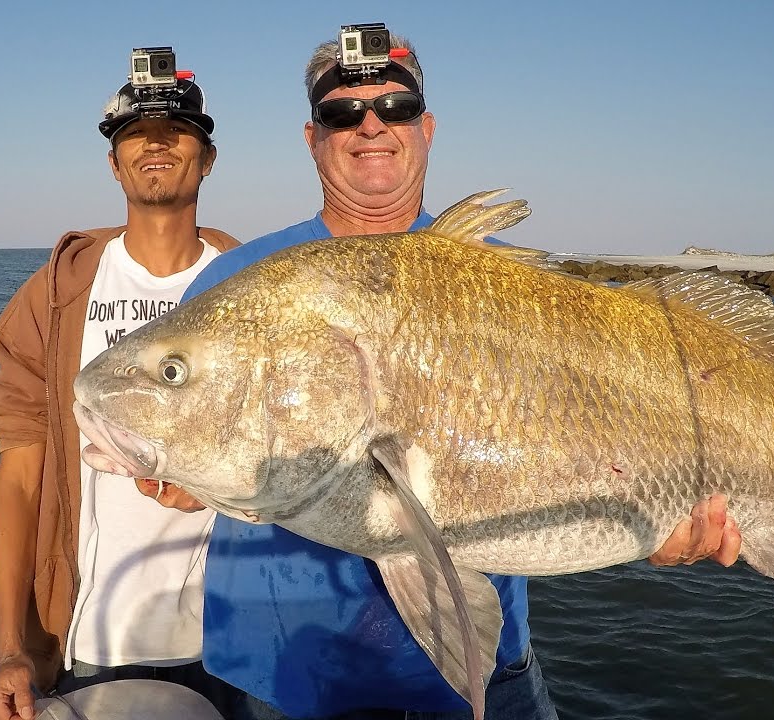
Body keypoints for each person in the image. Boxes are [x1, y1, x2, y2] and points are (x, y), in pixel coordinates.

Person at [166, 28, 742, 720]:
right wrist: (178, 469)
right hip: (287, 682)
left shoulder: (515, 281)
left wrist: (655, 517)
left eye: (395, 107)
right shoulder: (237, 281)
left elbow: (593, 445)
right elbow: (195, 447)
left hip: (482, 678)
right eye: (343, 113)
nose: (371, 124)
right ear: (313, 136)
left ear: (427, 127)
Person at [0, 55, 244, 720]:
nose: (156, 142)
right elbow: (18, 478)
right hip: (95, 638)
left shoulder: (251, 287)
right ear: (114, 163)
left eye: (178, 128)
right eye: (134, 133)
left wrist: (217, 482)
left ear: (207, 158)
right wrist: (11, 647)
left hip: (239, 640)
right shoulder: (56, 296)